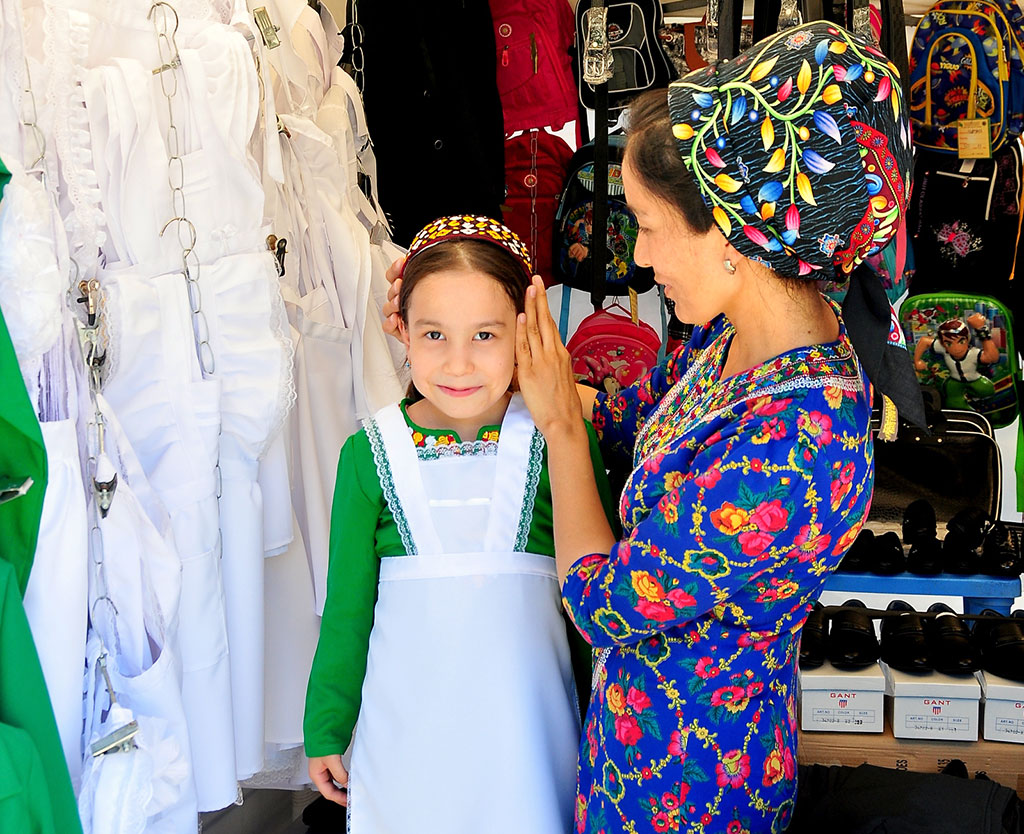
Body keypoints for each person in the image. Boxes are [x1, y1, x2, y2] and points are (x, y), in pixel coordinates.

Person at [384, 22, 924, 834]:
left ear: (734, 234)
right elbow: (635, 415)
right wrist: (474, 331)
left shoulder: (800, 438)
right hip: (633, 744)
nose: (637, 256)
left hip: (695, 787)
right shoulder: (732, 333)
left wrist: (562, 431)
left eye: (647, 222)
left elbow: (606, 602)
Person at [303, 215, 615, 834]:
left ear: (525, 333)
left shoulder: (562, 441)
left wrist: (605, 730)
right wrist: (326, 725)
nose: (459, 362)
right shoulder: (368, 454)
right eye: (435, 334)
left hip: (532, 747)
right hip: (408, 749)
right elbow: (346, 612)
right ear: (402, 331)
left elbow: (592, 606)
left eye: (486, 335)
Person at [914, 314, 998, 410]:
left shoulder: (973, 353)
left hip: (974, 380)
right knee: (952, 400)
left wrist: (982, 329)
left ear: (968, 340)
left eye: (961, 342)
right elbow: (924, 341)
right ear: (943, 343)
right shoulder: (943, 348)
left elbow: (992, 357)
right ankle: (965, 412)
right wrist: (917, 360)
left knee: (988, 389)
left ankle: (973, 400)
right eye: (949, 343)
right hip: (955, 381)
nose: (956, 348)